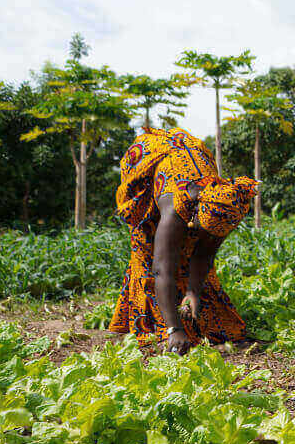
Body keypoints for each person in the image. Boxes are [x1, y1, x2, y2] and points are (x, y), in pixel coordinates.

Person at [109, 127, 257, 354]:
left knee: (195, 275)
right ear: (196, 213)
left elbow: (205, 253)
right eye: (203, 228)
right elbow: (161, 271)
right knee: (149, 257)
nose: (206, 235)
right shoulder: (172, 210)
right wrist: (174, 329)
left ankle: (190, 307)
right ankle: (157, 325)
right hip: (150, 190)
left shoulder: (222, 205)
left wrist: (193, 292)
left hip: (193, 172)